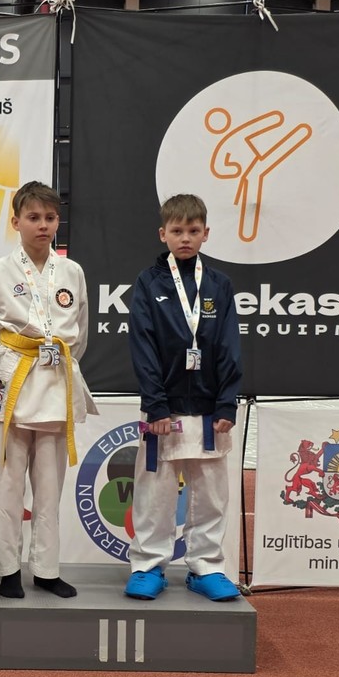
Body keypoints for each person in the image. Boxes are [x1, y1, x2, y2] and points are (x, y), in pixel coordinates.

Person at [0, 181, 98, 599]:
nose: (43, 225)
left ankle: (46, 569)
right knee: (7, 484)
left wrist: (55, 359)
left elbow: (80, 334)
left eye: (50, 217)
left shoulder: (72, 272)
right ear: (16, 222)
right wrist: (3, 366)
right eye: (33, 217)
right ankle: (7, 568)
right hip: (13, 378)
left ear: (58, 221)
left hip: (55, 382)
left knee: (49, 485)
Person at [125, 193, 242, 601]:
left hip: (209, 409)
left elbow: (229, 346)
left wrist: (227, 402)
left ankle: (206, 567)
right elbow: (142, 345)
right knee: (155, 490)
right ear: (163, 234)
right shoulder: (149, 283)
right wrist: (155, 404)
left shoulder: (219, 285)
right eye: (177, 231)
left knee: (210, 493)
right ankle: (147, 565)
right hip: (164, 408)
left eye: (193, 230)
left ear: (206, 233)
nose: (185, 238)